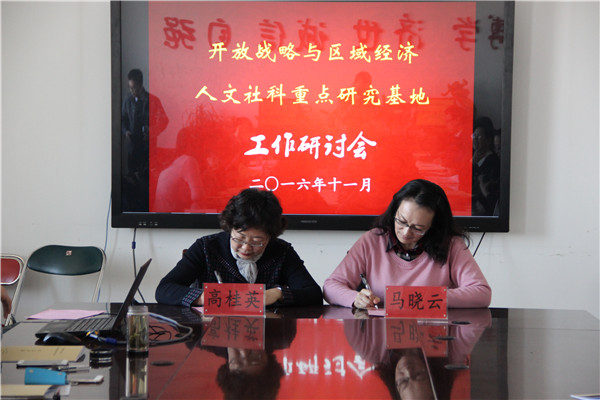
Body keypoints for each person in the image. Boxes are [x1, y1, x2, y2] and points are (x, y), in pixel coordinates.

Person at [323, 179, 491, 309]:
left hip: (432, 335)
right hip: (381, 334)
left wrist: (429, 298)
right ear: (394, 211)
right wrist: (355, 298)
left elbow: (482, 293)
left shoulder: (451, 245)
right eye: (401, 221)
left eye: (418, 228)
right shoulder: (373, 240)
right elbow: (331, 286)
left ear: (434, 226)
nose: (405, 233)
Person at [155, 188, 323, 307]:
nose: (246, 248)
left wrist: (277, 293)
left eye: (257, 241)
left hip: (267, 336)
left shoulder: (282, 252)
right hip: (213, 336)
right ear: (230, 228)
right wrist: (206, 297)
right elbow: (164, 289)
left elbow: (313, 294)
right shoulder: (206, 247)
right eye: (239, 238)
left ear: (270, 237)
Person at [121, 68, 169, 211]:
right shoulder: (127, 100)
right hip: (132, 148)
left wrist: (152, 132)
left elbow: (164, 120)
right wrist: (126, 132)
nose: (132, 91)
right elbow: (122, 119)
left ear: (141, 84)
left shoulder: (152, 100)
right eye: (130, 88)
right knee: (132, 181)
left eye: (134, 88)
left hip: (148, 148)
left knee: (147, 182)